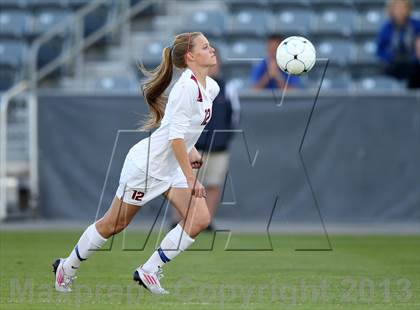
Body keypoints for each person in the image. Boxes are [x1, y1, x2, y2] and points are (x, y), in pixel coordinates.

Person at [52, 32, 220, 295]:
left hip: (170, 166)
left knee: (199, 218)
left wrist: (192, 149)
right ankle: (67, 266)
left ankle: (149, 270)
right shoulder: (186, 88)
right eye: (205, 46)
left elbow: (179, 129)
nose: (212, 50)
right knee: (114, 224)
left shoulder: (210, 87)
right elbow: (175, 137)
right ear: (190, 56)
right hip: (147, 167)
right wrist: (190, 176)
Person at [170, 49, 240, 230]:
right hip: (194, 146)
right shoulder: (190, 86)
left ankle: (205, 221)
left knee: (213, 184)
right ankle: (178, 219)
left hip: (219, 147)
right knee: (185, 183)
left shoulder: (227, 87)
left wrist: (224, 137)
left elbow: (235, 116)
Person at [376, 0, 420, 88]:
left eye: (403, 7)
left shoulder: (417, 25)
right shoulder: (386, 28)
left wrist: (414, 57)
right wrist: (390, 57)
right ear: (391, 10)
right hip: (393, 65)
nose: (400, 11)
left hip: (414, 66)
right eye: (397, 8)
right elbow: (380, 50)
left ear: (408, 9)